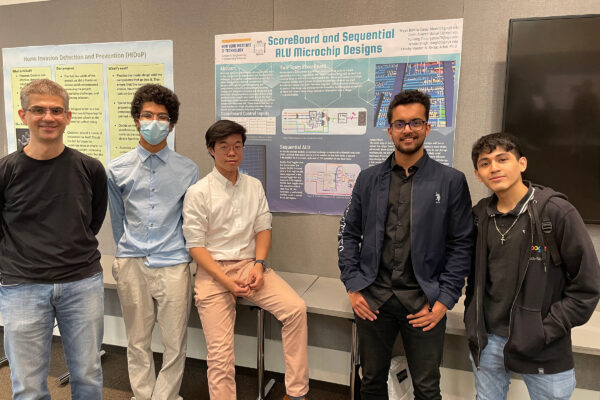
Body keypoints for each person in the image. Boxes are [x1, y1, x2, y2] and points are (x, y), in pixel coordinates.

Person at [338, 90, 473, 399]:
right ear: (389, 130)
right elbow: (347, 234)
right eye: (400, 123)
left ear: (427, 127)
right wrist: (353, 286)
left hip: (424, 302)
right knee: (370, 382)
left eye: (415, 122)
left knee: (426, 388)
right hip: (374, 299)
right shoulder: (368, 179)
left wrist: (444, 302)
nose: (408, 129)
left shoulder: (450, 181)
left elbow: (461, 245)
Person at [464, 132, 600, 399]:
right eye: (485, 163)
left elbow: (587, 286)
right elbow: (472, 277)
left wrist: (545, 330)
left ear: (522, 163)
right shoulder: (479, 216)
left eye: (502, 159)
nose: (494, 167)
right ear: (478, 174)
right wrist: (473, 322)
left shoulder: (556, 212)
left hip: (545, 346)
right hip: (488, 340)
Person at [182, 119, 309, 400]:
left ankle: (297, 393)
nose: (232, 152)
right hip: (214, 270)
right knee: (220, 353)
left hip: (251, 266)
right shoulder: (198, 192)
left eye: (237, 146)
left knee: (296, 309)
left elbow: (263, 229)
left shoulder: (254, 186)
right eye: (224, 146)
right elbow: (195, 246)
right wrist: (226, 281)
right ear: (211, 150)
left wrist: (259, 265)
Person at [0, 79, 107, 399]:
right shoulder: (6, 171)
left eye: (56, 110)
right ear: (23, 114)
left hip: (81, 283)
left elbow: (94, 220)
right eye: (39, 110)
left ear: (68, 116)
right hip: (22, 286)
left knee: (87, 375)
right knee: (28, 384)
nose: (48, 117)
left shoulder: (89, 168)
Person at [107, 84, 198, 400]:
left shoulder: (188, 169)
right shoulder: (117, 168)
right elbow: (118, 220)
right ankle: (143, 395)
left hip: (173, 263)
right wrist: (122, 256)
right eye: (147, 115)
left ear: (172, 124)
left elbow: (190, 221)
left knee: (175, 342)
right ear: (136, 119)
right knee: (137, 340)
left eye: (162, 117)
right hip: (132, 262)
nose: (154, 122)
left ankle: (166, 397)